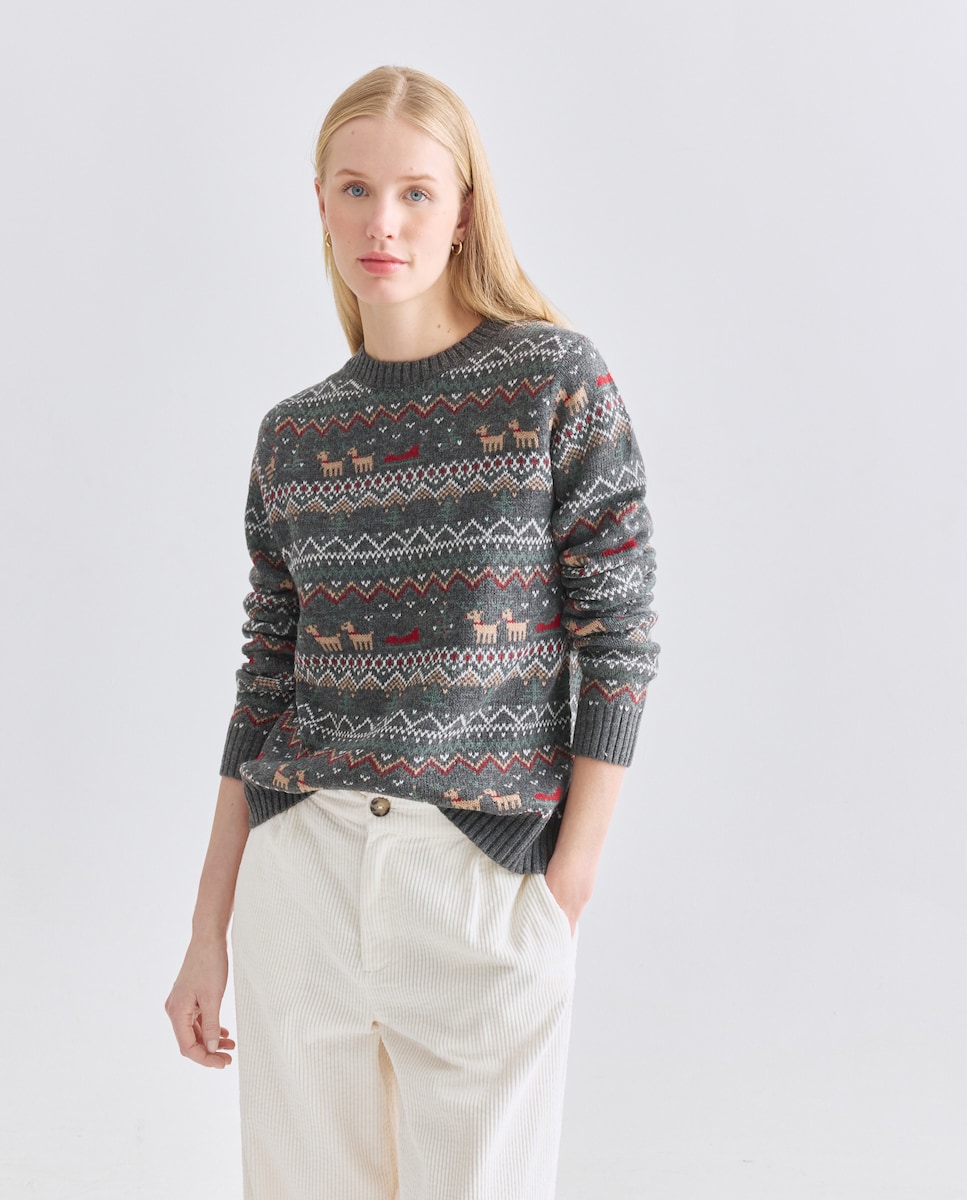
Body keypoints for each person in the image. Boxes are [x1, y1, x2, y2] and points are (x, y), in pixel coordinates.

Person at [165, 64, 659, 1200]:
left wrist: (565, 887)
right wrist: (207, 932)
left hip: (482, 876)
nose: (380, 222)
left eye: (415, 193)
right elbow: (264, 681)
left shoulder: (552, 381)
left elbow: (621, 634)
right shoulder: (296, 435)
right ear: (321, 204)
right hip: (305, 874)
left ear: (465, 210)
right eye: (354, 190)